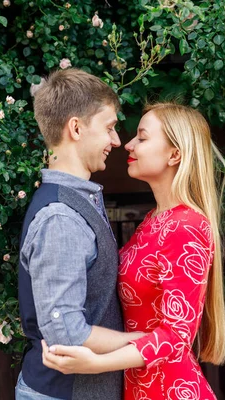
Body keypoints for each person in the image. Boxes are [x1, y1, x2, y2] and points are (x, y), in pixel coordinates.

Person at [42, 102, 225, 399]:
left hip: (169, 390)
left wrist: (97, 364)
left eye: (142, 138)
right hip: (140, 386)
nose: (128, 144)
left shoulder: (187, 226)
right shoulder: (154, 220)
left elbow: (176, 337)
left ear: (175, 154)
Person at [17, 69, 145, 400]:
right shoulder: (62, 218)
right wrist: (146, 342)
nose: (116, 141)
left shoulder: (74, 202)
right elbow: (66, 332)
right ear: (76, 128)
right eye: (109, 128)